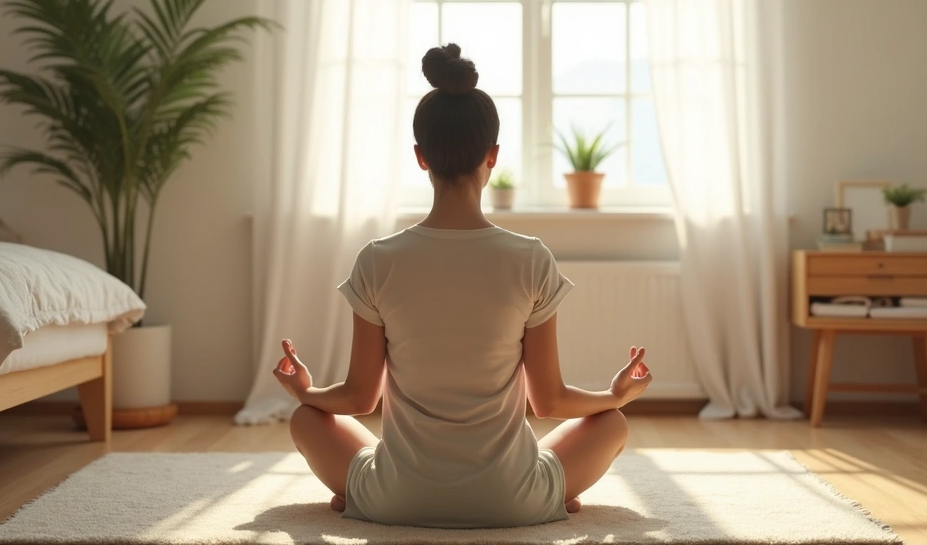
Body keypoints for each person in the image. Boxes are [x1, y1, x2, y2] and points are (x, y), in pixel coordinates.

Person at [271, 44, 653, 528]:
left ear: (420, 157)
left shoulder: (377, 260)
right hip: (512, 503)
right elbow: (549, 402)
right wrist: (614, 396)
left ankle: (368, 497)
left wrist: (305, 390)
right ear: (492, 156)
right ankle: (549, 500)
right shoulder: (530, 258)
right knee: (611, 424)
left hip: (396, 502)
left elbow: (359, 399)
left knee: (306, 418)